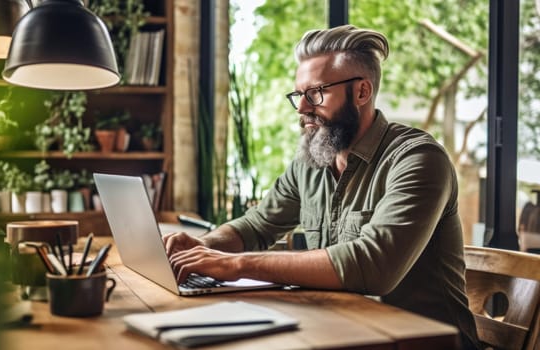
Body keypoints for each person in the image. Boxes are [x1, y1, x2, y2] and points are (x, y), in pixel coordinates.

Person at [164, 24, 480, 349]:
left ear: (362, 92)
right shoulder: (311, 159)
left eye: (316, 93)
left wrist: (237, 264)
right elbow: (256, 226)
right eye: (298, 95)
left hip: (422, 343)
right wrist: (201, 248)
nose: (302, 108)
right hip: (343, 333)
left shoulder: (418, 159)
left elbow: (372, 265)